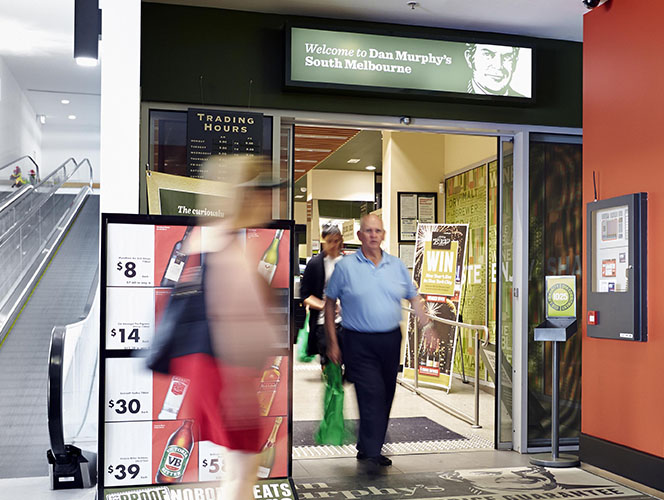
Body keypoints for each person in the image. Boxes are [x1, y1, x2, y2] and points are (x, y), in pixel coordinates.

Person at [170, 154, 282, 500]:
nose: (270, 199)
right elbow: (231, 322)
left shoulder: (219, 239)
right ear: (245, 195)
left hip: (220, 373)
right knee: (241, 473)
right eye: (264, 190)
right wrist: (237, 388)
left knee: (237, 469)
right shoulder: (227, 249)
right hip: (228, 376)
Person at [324, 214, 431, 472]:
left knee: (385, 395)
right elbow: (329, 303)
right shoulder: (345, 267)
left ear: (383, 235)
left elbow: (413, 297)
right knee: (371, 392)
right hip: (357, 341)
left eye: (378, 231)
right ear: (359, 235)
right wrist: (332, 342)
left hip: (390, 340)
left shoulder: (396, 266)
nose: (373, 235)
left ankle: (368, 445)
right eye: (368, 231)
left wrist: (427, 326)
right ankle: (373, 451)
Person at [300, 224, 344, 365]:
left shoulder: (347, 263)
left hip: (345, 323)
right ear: (323, 241)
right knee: (329, 363)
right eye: (329, 241)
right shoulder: (315, 264)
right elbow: (305, 295)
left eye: (336, 241)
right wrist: (325, 306)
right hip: (322, 323)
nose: (333, 245)